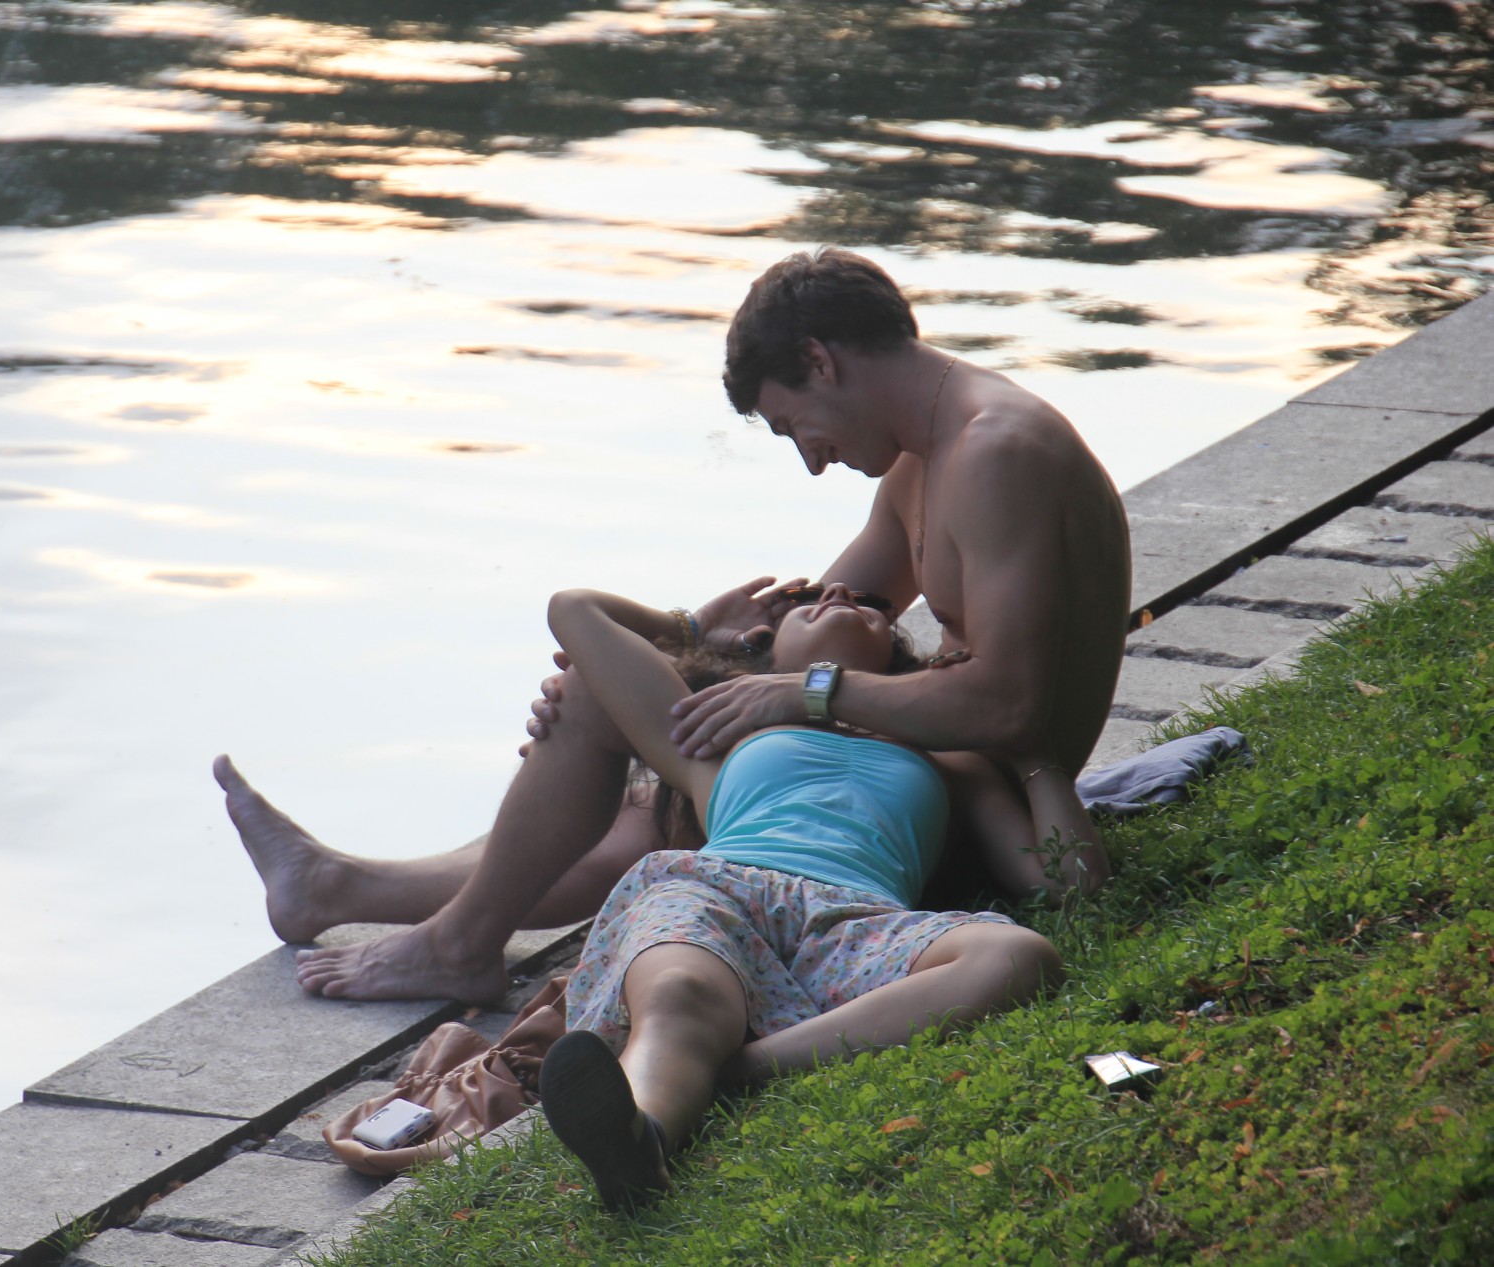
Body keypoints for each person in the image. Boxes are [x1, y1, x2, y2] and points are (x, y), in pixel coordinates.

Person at [222, 246, 1130, 1003]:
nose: (811, 460)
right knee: (621, 716)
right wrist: (665, 660)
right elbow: (811, 628)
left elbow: (1010, 704)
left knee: (667, 768)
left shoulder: (996, 453)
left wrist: (796, 692)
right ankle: (350, 892)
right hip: (910, 755)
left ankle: (443, 937)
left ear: (821, 361)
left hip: (976, 801)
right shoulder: (921, 464)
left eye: (790, 424)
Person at [534, 581, 1102, 1211]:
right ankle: (642, 1136)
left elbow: (1065, 879)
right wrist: (700, 626)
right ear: (765, 659)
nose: (835, 588)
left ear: (895, 649)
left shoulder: (947, 751)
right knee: (679, 994)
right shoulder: (712, 736)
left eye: (866, 599)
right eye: (802, 603)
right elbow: (574, 611)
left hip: (857, 921)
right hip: (713, 890)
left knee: (1017, 955)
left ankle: (737, 1067)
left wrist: (1033, 752)